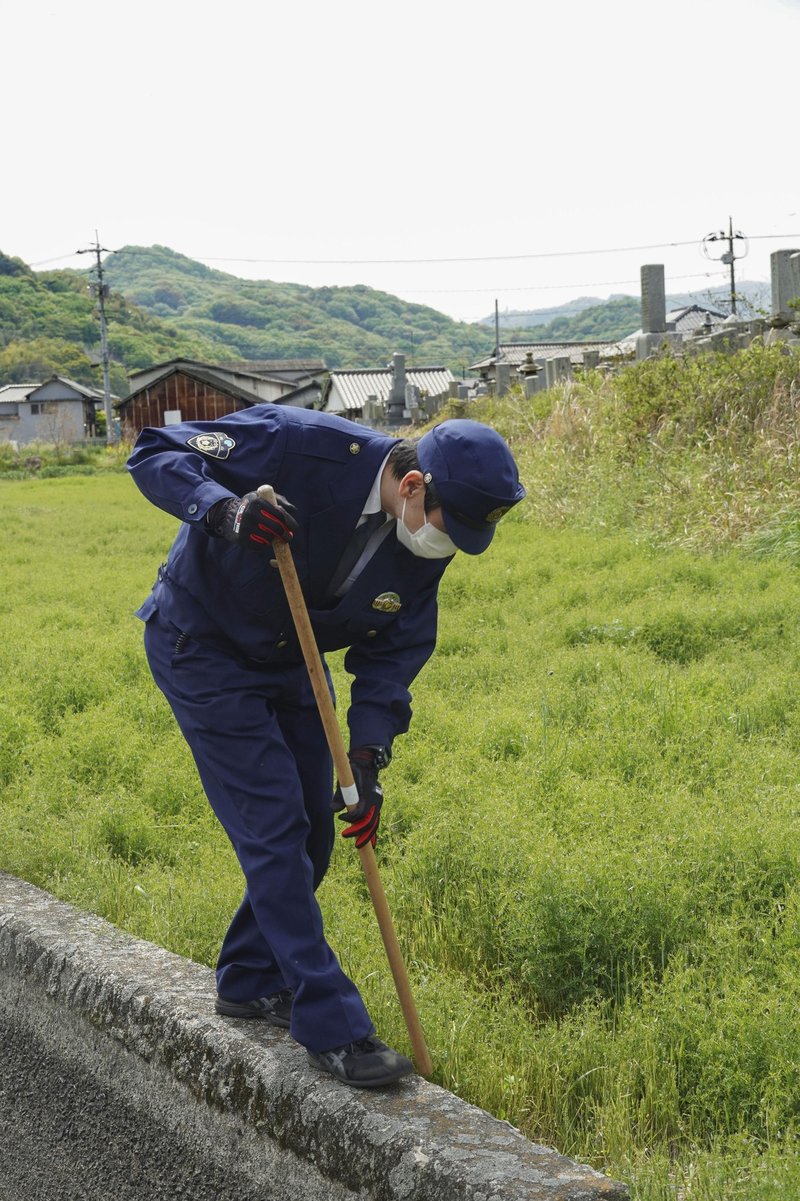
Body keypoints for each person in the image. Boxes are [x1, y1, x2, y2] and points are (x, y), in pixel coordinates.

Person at [127, 404, 525, 1088]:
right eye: (444, 523)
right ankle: (332, 1025)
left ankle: (250, 978)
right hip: (203, 645)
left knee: (315, 827)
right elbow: (155, 451)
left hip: (291, 662)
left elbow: (394, 654)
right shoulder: (298, 446)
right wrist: (225, 512)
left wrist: (367, 759)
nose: (445, 544)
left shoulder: (425, 541)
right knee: (275, 823)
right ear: (411, 486)